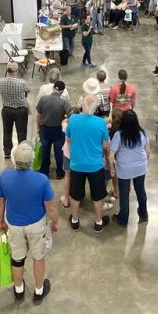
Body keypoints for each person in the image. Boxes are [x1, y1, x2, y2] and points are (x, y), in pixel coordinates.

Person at [0, 141, 59, 303]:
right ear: (32, 160)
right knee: (38, 257)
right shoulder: (41, 180)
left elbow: (0, 203)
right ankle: (38, 290)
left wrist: (0, 222)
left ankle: (18, 289)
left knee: (17, 259)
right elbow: (50, 207)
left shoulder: (5, 177)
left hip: (14, 225)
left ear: (14, 160)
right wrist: (55, 222)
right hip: (36, 225)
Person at [66, 94, 111, 232]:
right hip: (95, 165)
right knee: (97, 195)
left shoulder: (73, 119)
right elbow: (105, 145)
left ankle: (74, 220)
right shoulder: (100, 122)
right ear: (96, 106)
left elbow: (68, 139)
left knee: (75, 194)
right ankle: (98, 222)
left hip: (77, 164)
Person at [110, 110, 150, 227]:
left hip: (124, 169)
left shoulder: (119, 135)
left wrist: (112, 168)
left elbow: (111, 154)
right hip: (140, 167)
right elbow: (147, 151)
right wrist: (143, 163)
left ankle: (123, 219)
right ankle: (143, 214)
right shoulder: (142, 133)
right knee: (140, 189)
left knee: (124, 194)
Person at [36, 80, 70, 179]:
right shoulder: (64, 103)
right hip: (58, 130)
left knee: (45, 150)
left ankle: (44, 171)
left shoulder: (43, 99)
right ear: (62, 91)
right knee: (59, 152)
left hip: (45, 129)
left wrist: (38, 128)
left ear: (53, 88)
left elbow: (38, 115)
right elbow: (70, 115)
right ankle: (60, 173)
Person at [0, 61, 30, 159]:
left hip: (6, 110)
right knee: (21, 131)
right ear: (16, 71)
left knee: (7, 131)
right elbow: (28, 90)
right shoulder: (21, 82)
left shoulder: (1, 81)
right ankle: (21, 152)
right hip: (20, 110)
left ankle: (7, 151)